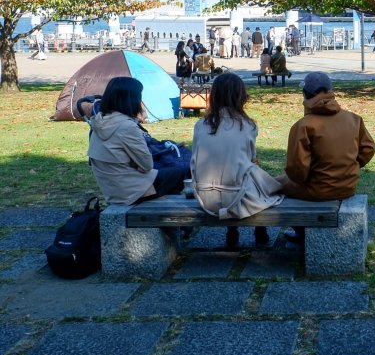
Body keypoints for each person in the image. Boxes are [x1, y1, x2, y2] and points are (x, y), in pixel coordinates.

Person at [278, 71, 375, 246]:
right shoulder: (354, 119)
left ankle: (301, 230)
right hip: (348, 186)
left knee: (275, 184)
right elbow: (368, 148)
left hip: (318, 189)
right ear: (331, 91)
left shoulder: (303, 126)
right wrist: (351, 165)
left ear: (305, 94)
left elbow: (296, 170)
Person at [191, 73, 283, 249]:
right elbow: (249, 159)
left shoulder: (200, 125)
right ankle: (259, 230)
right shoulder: (248, 126)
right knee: (259, 180)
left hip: (205, 197)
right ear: (240, 96)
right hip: (236, 196)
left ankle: (232, 231)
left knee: (240, 174)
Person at [88, 77, 186, 205]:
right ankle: (173, 220)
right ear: (131, 100)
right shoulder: (126, 126)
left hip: (112, 189)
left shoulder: (99, 121)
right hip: (131, 192)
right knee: (179, 172)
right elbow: (146, 165)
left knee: (167, 173)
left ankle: (169, 220)